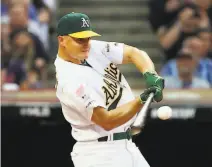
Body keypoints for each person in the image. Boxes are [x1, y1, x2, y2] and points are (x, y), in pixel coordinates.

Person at [54, 12, 164, 167]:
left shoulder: (91, 49)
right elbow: (106, 121)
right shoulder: (69, 80)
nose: (86, 44)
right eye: (80, 40)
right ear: (62, 40)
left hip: (126, 145)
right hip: (99, 153)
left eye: (88, 38)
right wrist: (141, 100)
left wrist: (150, 74)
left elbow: (133, 53)